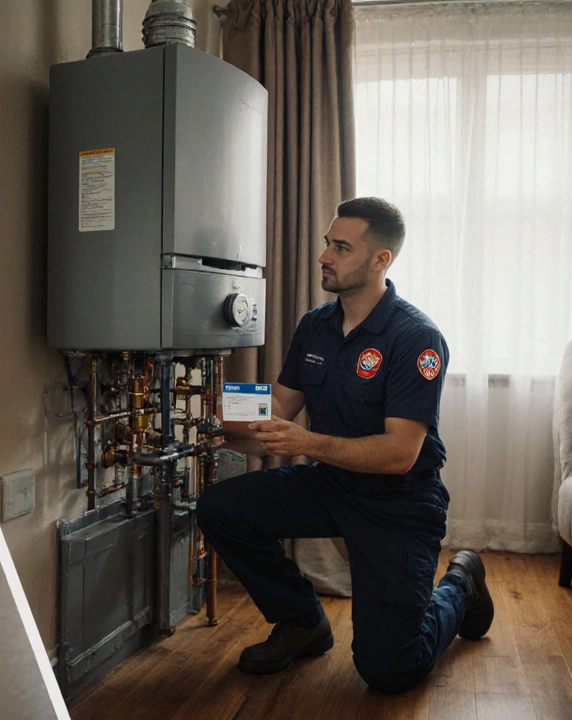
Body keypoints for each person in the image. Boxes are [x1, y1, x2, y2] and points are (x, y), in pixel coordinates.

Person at [196, 197, 492, 694]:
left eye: (340, 247)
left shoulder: (416, 338)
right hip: (331, 484)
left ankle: (461, 582)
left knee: (390, 669)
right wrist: (213, 419)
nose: (324, 256)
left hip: (398, 500)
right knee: (221, 506)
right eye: (326, 243)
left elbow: (401, 454)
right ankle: (301, 621)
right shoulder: (315, 324)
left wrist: (304, 442)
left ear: (381, 260)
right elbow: (278, 410)